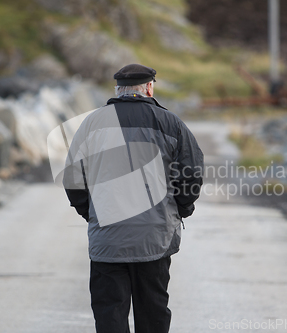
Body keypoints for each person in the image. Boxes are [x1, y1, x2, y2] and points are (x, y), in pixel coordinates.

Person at [63, 63, 204, 333]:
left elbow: (72, 178)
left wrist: (92, 212)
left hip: (108, 237)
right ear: (149, 87)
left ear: (118, 89)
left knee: (110, 316)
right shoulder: (171, 123)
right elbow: (192, 174)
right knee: (153, 314)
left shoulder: (92, 123)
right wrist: (179, 210)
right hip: (155, 237)